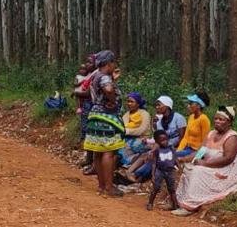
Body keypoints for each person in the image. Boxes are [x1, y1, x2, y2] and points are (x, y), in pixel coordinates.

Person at [170, 105, 237, 215]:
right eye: (216, 119)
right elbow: (200, 152)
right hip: (207, 165)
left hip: (224, 169)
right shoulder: (211, 134)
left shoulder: (232, 137)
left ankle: (190, 206)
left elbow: (228, 159)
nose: (217, 121)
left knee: (198, 171)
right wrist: (183, 159)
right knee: (188, 168)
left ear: (229, 122)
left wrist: (205, 163)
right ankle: (178, 202)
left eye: (221, 119)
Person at [80, 52, 124, 197]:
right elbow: (108, 89)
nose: (115, 66)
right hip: (107, 117)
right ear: (109, 63)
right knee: (108, 152)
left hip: (94, 116)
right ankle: (109, 187)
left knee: (98, 153)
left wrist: (113, 80)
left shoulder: (95, 75)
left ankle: (101, 186)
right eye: (114, 63)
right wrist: (112, 100)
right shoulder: (104, 77)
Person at [129, 97, 187, 182]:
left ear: (167, 106)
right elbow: (158, 140)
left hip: (177, 147)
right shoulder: (160, 122)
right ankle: (130, 173)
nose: (157, 107)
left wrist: (175, 149)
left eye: (159, 105)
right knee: (148, 154)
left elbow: (182, 137)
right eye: (156, 105)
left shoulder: (178, 118)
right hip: (165, 146)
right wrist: (152, 151)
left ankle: (137, 175)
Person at [146, 130, 179, 211]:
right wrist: (153, 175)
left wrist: (179, 167)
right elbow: (154, 163)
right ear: (157, 141)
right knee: (156, 188)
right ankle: (150, 203)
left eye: (166, 139)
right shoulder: (157, 150)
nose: (165, 142)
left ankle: (175, 205)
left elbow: (175, 159)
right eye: (162, 140)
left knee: (171, 189)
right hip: (160, 171)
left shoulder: (171, 148)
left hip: (170, 171)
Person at [177, 92, 212, 158]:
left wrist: (197, 157)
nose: (188, 106)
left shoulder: (204, 119)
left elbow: (205, 141)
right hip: (187, 148)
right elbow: (185, 137)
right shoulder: (191, 117)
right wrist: (179, 150)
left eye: (191, 104)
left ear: (199, 105)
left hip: (195, 151)